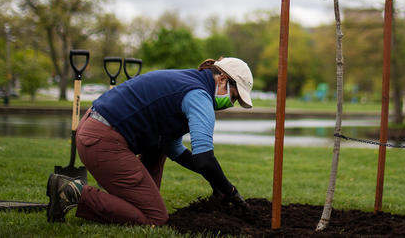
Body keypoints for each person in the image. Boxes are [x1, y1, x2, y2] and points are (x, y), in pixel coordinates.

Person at [46, 57, 253, 225]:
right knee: (155, 218)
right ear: (223, 79)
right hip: (103, 141)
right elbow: (205, 160)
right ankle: (71, 191)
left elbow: (173, 148)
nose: (231, 103)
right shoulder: (199, 95)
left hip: (94, 128)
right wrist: (230, 191)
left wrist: (215, 181)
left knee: (159, 149)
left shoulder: (190, 81)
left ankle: (133, 201)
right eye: (234, 97)